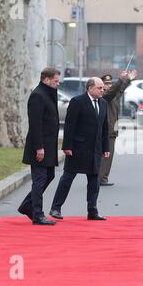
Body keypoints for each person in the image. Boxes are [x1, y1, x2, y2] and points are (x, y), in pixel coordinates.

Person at [49, 77, 110, 220]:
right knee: (68, 178)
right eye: (99, 88)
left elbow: (105, 128)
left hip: (95, 148)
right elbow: (70, 126)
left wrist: (106, 147)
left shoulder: (103, 103)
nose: (103, 90)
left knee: (94, 180)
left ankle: (92, 210)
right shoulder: (77, 102)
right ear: (90, 88)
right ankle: (55, 208)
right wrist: (67, 146)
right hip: (78, 148)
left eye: (103, 88)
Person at [18, 67, 61, 225]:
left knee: (49, 176)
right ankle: (37, 214)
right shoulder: (38, 95)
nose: (58, 83)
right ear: (46, 79)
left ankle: (27, 205)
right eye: (56, 81)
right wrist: (39, 147)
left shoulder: (48, 93)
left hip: (48, 145)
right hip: (40, 146)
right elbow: (35, 124)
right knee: (40, 179)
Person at [99, 69, 137, 186]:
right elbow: (113, 91)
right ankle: (101, 179)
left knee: (108, 157)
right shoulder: (104, 96)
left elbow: (119, 90)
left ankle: (103, 177)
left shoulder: (112, 95)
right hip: (106, 132)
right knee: (105, 156)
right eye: (106, 84)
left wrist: (128, 80)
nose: (108, 86)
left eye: (110, 83)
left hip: (112, 131)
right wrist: (121, 79)